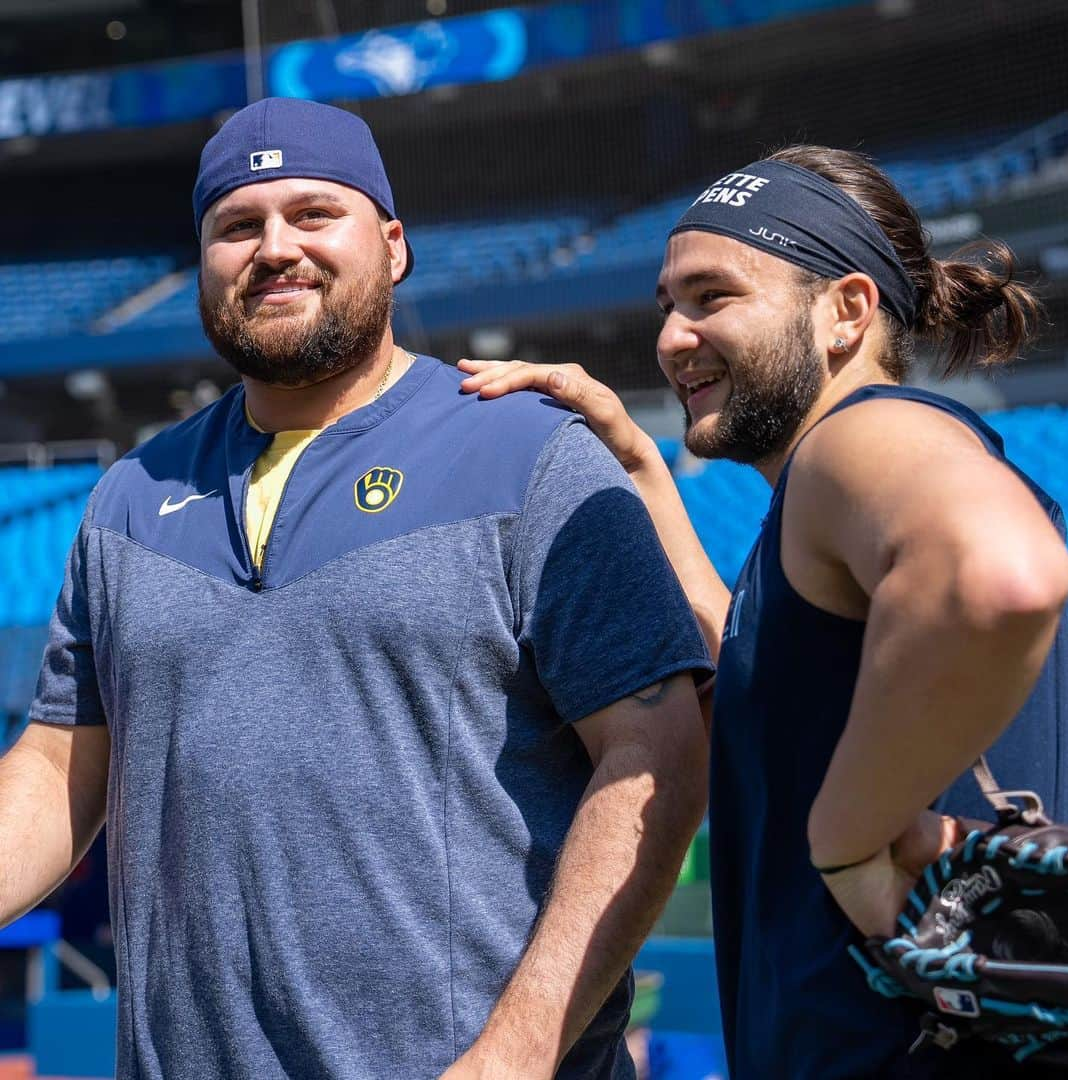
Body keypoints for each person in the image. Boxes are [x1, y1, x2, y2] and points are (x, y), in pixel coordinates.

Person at [5, 97, 713, 1080]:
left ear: (392, 245)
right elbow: (53, 769)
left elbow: (655, 756)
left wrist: (514, 1056)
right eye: (238, 225)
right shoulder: (128, 498)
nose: (274, 247)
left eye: (312, 213)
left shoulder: (528, 454)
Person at [458, 145, 1068, 1078]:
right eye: (668, 305)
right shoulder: (818, 503)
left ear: (846, 312)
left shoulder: (865, 435)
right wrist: (639, 468)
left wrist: (848, 840)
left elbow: (997, 575)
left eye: (714, 296)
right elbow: (752, 666)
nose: (671, 336)